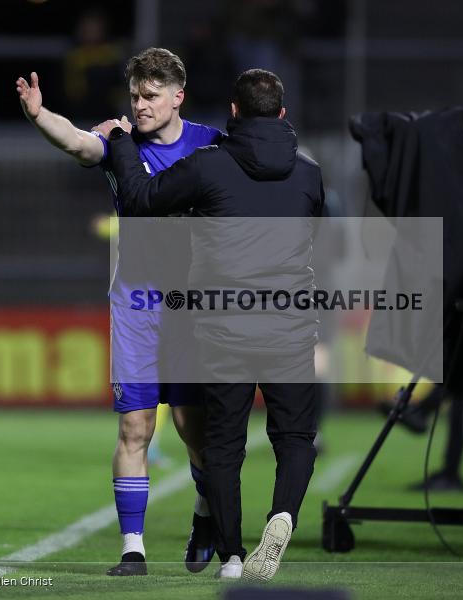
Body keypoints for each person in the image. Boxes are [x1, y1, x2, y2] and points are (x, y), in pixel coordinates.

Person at [96, 69, 324, 581]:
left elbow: (141, 199)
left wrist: (119, 140)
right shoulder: (308, 173)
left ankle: (232, 557)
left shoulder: (210, 166)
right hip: (289, 324)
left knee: (222, 444)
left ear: (234, 112)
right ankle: (282, 514)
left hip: (225, 325)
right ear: (282, 115)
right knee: (295, 436)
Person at [16, 47, 222, 576]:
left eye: (151, 96)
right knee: (135, 428)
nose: (141, 104)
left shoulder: (210, 144)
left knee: (191, 426)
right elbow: (77, 142)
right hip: (136, 305)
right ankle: (134, 549)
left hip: (189, 307)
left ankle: (205, 510)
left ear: (178, 96)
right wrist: (40, 115)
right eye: (135, 95)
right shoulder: (118, 140)